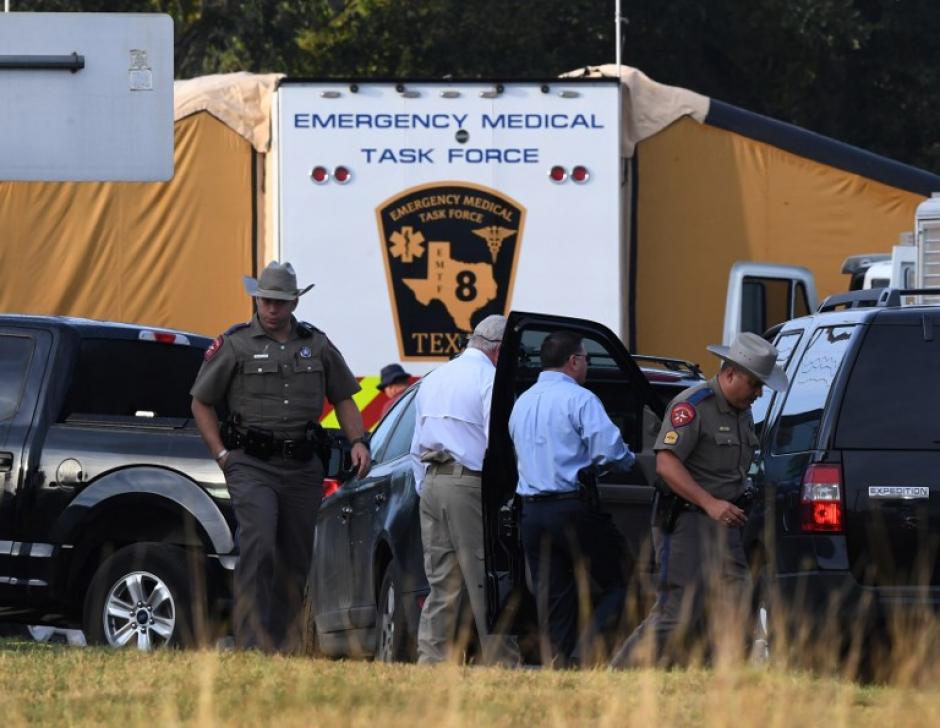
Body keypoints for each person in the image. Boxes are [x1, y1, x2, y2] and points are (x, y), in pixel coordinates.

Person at [190, 261, 371, 652]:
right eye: (266, 301)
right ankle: (251, 643)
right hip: (251, 465)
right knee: (258, 541)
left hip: (302, 467)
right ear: (256, 299)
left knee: (295, 554)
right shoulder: (235, 344)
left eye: (280, 303)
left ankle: (284, 644)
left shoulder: (317, 344)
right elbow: (200, 402)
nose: (272, 310)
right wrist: (222, 454)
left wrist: (359, 441)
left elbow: (343, 397)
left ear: (294, 303)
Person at [610, 332, 786, 668]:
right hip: (687, 522)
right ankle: (620, 673)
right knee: (677, 612)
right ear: (731, 373)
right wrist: (710, 503)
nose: (759, 393)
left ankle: (724, 680)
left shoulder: (741, 411)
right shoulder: (692, 407)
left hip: (725, 523)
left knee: (737, 603)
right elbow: (666, 463)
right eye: (755, 384)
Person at [509, 330, 636, 668]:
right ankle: (586, 652)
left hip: (532, 514)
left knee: (554, 597)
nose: (586, 366)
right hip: (572, 507)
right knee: (622, 580)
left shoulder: (521, 402)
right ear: (574, 361)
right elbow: (611, 452)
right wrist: (629, 461)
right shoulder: (580, 399)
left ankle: (558, 663)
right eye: (586, 359)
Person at [410, 314, 520, 666]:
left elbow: (415, 444)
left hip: (432, 483)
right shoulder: (490, 380)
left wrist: (423, 487)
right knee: (485, 579)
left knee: (442, 583)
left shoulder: (434, 378)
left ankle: (431, 662)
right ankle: (501, 663)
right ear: (500, 351)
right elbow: (500, 443)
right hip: (469, 484)